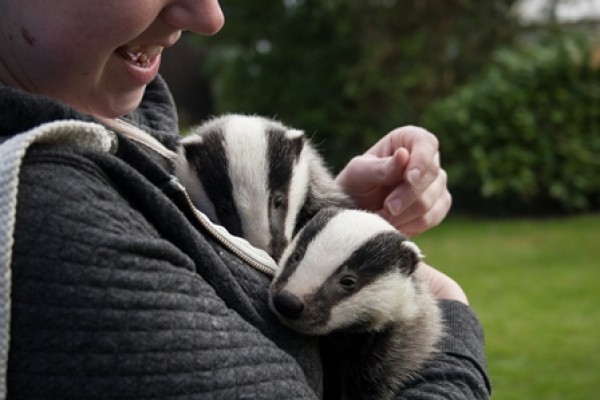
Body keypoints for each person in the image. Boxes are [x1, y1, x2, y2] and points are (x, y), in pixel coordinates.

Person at [0, 1, 490, 399]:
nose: (209, 15)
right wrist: (449, 314)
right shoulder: (50, 215)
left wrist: (329, 225)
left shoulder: (115, 128)